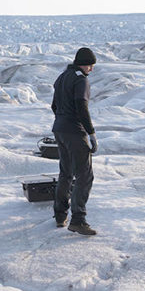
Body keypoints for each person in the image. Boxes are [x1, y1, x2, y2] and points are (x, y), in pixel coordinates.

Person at [51, 47, 99, 235]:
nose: (91, 70)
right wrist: (91, 132)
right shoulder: (81, 80)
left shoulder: (62, 77)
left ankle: (60, 215)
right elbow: (81, 106)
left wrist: (63, 121)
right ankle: (78, 220)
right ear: (85, 64)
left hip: (59, 129)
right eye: (91, 66)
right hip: (74, 131)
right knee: (85, 175)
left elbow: (54, 105)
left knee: (66, 173)